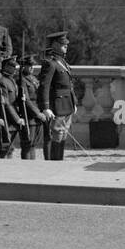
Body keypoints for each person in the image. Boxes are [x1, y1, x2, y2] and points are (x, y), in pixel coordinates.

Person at [39, 29, 77, 160]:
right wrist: (45, 107)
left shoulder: (62, 61)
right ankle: (54, 162)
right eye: (62, 43)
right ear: (54, 45)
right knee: (56, 135)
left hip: (67, 105)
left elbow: (69, 85)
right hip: (57, 106)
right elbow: (45, 86)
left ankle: (59, 161)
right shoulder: (50, 63)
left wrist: (74, 102)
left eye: (66, 43)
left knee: (63, 134)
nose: (66, 45)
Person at [0, 56, 26, 158]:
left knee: (10, 149)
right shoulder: (2, 81)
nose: (14, 68)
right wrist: (17, 119)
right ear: (5, 66)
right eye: (12, 66)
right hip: (8, 119)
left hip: (13, 120)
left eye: (15, 66)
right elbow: (6, 103)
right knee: (5, 149)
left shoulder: (11, 80)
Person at [18, 55, 42, 159]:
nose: (32, 68)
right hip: (29, 115)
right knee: (27, 144)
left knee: (34, 144)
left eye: (32, 65)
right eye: (29, 65)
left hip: (37, 115)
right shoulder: (22, 80)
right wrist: (38, 113)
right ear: (23, 67)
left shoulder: (33, 79)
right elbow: (26, 100)